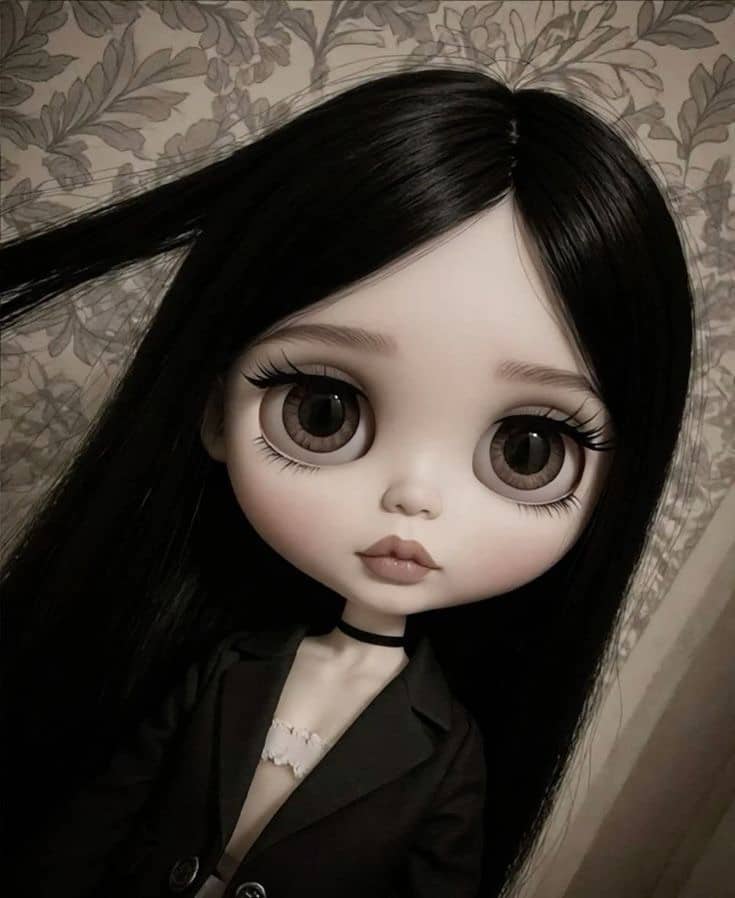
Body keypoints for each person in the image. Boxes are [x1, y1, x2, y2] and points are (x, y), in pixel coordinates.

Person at [0, 67, 695, 897]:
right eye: (322, 412)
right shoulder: (226, 668)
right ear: (215, 411)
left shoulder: (448, 749)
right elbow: (105, 810)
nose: (414, 495)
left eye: (526, 452)